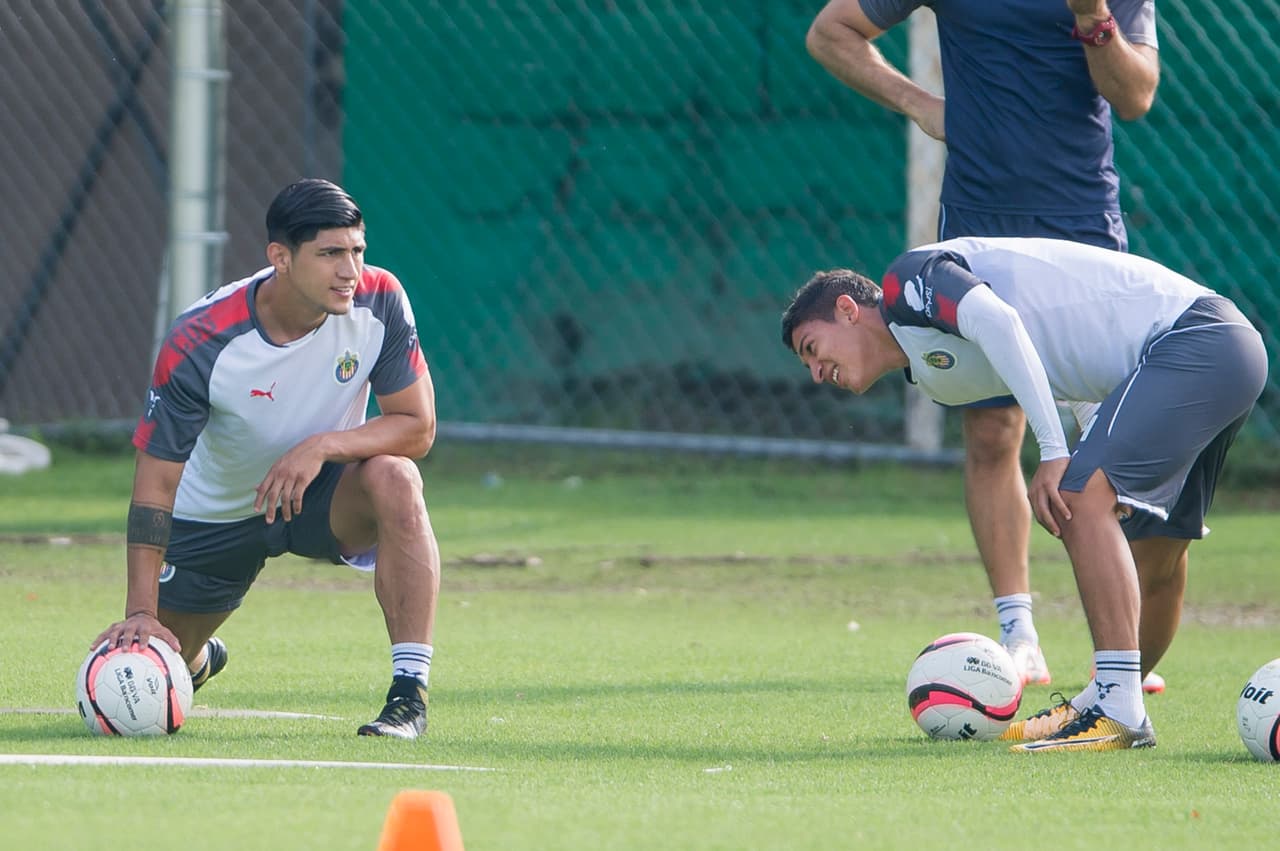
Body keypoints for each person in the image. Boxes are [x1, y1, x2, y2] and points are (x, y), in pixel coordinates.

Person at [781, 237, 1267, 751]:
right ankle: (1106, 698)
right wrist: (1090, 439)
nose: (816, 373)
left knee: (1078, 500)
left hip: (1196, 339)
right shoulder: (935, 378)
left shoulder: (908, 282)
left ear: (847, 309)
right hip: (1219, 350)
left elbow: (1003, 323)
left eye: (812, 348)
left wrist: (1056, 452)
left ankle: (1118, 707)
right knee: (1157, 544)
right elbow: (1066, 368)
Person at [806, 0, 1162, 690]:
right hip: (979, 212)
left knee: (1103, 427)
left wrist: (1092, 15)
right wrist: (919, 104)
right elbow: (830, 32)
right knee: (994, 429)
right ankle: (1018, 634)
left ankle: (1119, 651)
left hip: (1079, 209)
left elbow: (1135, 94)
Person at [91, 178, 441, 739]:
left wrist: (322, 445)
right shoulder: (201, 338)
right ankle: (199, 660)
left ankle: (408, 695)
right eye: (330, 254)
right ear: (280, 257)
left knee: (396, 476)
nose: (349, 270)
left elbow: (417, 427)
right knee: (159, 666)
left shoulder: (379, 299)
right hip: (216, 517)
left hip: (319, 498)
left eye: (357, 250)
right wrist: (140, 611)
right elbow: (155, 484)